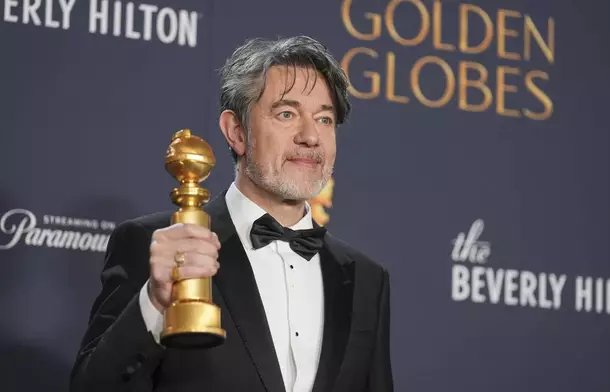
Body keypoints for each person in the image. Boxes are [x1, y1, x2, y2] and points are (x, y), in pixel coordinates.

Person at [69, 36, 393, 392]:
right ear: (236, 132)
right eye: (287, 114)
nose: (310, 136)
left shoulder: (366, 279)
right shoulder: (155, 245)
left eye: (324, 119)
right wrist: (156, 301)